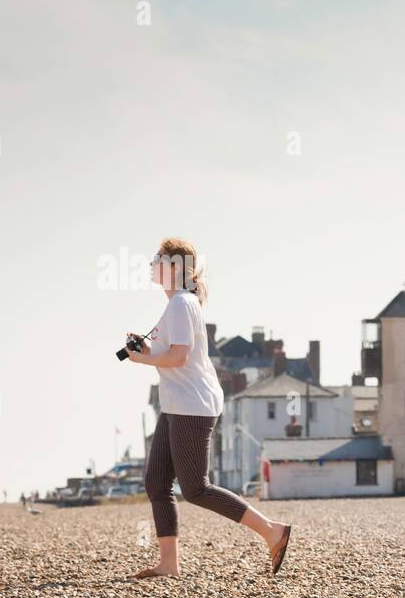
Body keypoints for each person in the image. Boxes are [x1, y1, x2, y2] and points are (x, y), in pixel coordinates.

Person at [124, 238, 292, 578]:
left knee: (196, 488)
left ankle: (272, 531)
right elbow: (172, 353)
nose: (152, 262)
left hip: (193, 405)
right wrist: (146, 349)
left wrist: (142, 359)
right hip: (176, 405)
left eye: (158, 258)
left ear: (175, 268)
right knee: (157, 482)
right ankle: (169, 565)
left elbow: (179, 356)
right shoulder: (175, 305)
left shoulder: (182, 304)